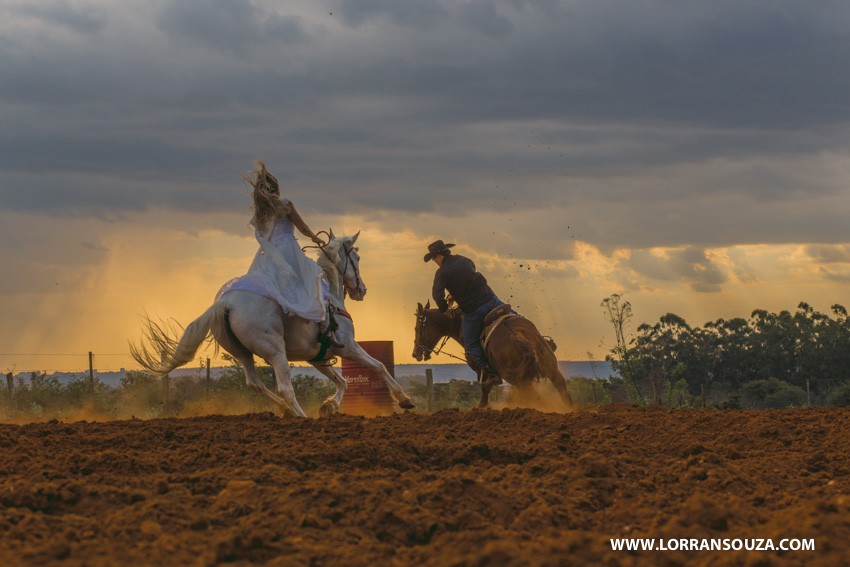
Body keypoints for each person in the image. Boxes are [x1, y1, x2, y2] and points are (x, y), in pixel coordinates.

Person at [218, 160, 343, 347]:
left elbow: (260, 237)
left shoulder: (260, 213)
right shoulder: (285, 204)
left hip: (269, 257)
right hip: (289, 252)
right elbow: (303, 227)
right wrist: (316, 239)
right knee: (316, 284)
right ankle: (327, 332)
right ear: (276, 189)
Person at [424, 239, 504, 380]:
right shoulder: (465, 260)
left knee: (470, 344)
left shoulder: (441, 272)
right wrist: (454, 294)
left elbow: (437, 295)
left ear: (439, 256)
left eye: (434, 259)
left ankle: (490, 373)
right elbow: (467, 279)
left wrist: (444, 309)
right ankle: (542, 341)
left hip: (473, 311)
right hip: (491, 300)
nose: (435, 262)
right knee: (512, 315)